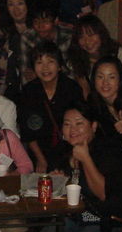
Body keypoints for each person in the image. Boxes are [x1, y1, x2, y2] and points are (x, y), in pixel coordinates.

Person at [55, 100, 122, 232]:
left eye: (79, 123)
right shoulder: (65, 152)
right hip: (80, 217)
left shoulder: (110, 150)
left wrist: (86, 159)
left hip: (114, 220)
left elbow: (103, 193)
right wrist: (59, 182)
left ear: (93, 126)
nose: (72, 129)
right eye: (67, 124)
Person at [19, 42, 83, 172]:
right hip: (39, 153)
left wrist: (75, 154)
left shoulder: (72, 88)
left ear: (59, 66)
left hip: (69, 151)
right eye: (39, 62)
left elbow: (81, 123)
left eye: (50, 62)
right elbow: (27, 131)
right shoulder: (29, 91)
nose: (45, 68)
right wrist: (40, 159)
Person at [66, 15, 122, 98]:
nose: (87, 41)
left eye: (91, 35)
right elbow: (85, 92)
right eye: (81, 37)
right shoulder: (77, 58)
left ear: (101, 34)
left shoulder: (119, 54)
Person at [19, 0, 72, 84]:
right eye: (36, 22)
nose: (40, 26)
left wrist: (40, 74)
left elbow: (71, 72)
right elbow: (25, 73)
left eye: (45, 22)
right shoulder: (28, 37)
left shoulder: (67, 36)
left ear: (56, 21)